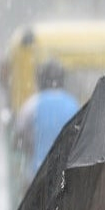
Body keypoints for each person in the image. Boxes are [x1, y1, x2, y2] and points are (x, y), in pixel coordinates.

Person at [15, 59, 78, 187]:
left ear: (41, 80)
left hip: (38, 174)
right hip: (66, 174)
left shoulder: (32, 104)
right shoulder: (74, 105)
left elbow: (18, 138)